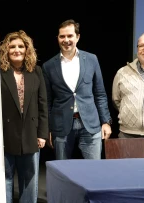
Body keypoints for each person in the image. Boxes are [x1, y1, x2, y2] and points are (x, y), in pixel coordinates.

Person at [0, 30, 48, 203]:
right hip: (5, 135)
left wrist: (42, 134)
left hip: (30, 134)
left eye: (21, 46)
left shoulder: (36, 71)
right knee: (6, 179)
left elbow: (43, 104)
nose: (16, 50)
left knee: (29, 181)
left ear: (27, 49)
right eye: (12, 47)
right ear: (6, 51)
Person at [42, 19, 112, 160]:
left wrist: (105, 121)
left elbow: (100, 94)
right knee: (63, 171)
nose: (66, 40)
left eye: (70, 36)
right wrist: (48, 128)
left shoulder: (92, 59)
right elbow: (47, 101)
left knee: (94, 171)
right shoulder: (48, 66)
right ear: (57, 38)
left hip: (90, 124)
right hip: (61, 126)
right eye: (62, 36)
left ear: (77, 37)